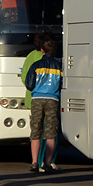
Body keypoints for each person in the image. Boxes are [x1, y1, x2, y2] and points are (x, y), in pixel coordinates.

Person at [24, 36, 62, 173]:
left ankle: (34, 162)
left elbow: (29, 84)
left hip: (37, 99)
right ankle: (47, 163)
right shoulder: (59, 66)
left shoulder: (36, 65)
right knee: (50, 132)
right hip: (53, 100)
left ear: (42, 50)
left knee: (36, 131)